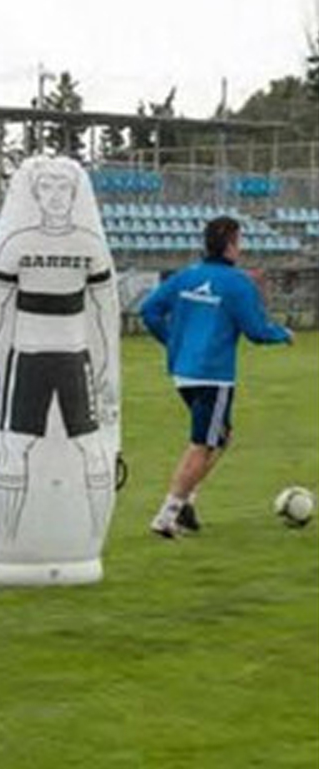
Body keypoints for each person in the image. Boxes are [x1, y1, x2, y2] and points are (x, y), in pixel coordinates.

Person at [0, 158, 118, 541]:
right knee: (15, 446)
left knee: (90, 447)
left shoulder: (90, 246)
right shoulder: (16, 245)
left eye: (63, 188)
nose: (56, 196)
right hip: (28, 359)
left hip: (74, 360)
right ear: (36, 194)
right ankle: (5, 537)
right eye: (48, 188)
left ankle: (91, 535)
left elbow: (103, 314)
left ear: (74, 194)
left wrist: (105, 369)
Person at [140, 215, 293, 539]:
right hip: (213, 375)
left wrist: (174, 342)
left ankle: (187, 504)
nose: (241, 247)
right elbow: (257, 331)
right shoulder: (237, 283)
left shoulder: (186, 276)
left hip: (183, 373)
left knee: (221, 437)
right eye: (239, 241)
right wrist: (283, 334)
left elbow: (149, 311)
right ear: (230, 245)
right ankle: (167, 515)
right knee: (202, 444)